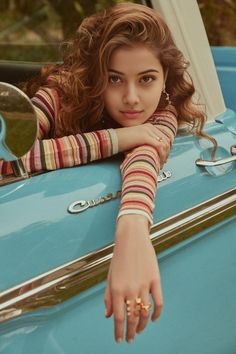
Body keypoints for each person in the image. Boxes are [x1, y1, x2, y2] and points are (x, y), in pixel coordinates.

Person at [0, 2, 216, 344]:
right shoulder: (60, 94)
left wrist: (133, 229)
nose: (131, 98)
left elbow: (145, 155)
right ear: (95, 75)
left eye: (146, 79)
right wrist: (118, 137)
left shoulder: (162, 109)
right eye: (114, 79)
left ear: (165, 80)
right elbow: (7, 157)